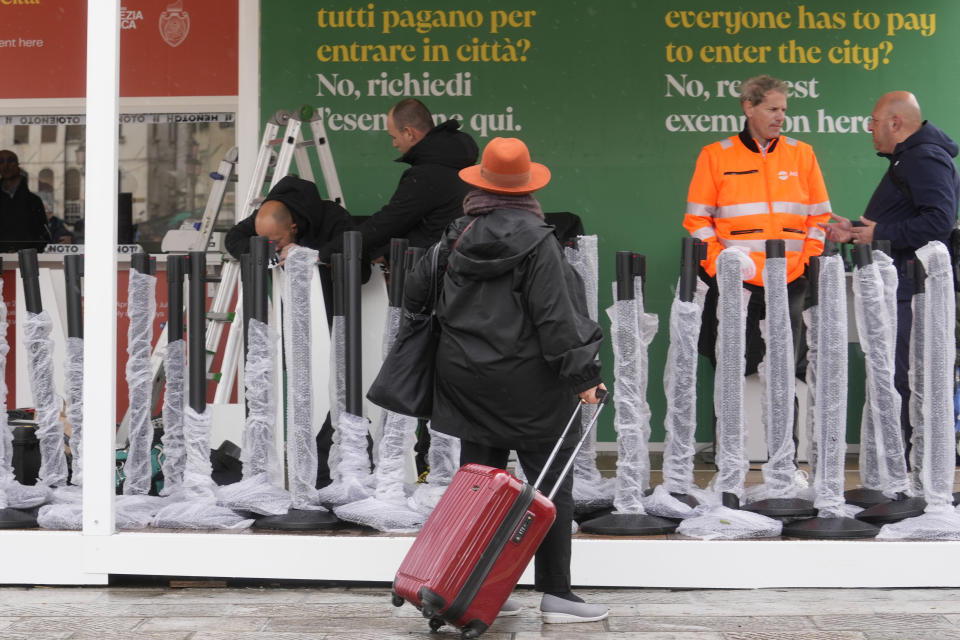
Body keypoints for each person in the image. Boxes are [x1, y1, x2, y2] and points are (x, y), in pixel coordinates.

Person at [403, 137, 608, 623]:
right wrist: (583, 376)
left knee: (481, 487)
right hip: (529, 383)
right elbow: (556, 317)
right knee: (550, 483)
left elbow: (414, 293)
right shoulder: (539, 241)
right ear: (527, 189)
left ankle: (473, 588)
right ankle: (556, 593)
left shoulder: (458, 232)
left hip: (465, 380)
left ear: (482, 184)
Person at [684, 75, 832, 473]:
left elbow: (820, 217)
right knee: (730, 370)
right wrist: (722, 265)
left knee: (785, 372)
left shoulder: (803, 155)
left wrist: (804, 259)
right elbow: (698, 220)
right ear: (749, 108)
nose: (780, 117)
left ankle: (785, 463)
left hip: (790, 283)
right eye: (772, 109)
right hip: (736, 288)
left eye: (784, 110)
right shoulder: (716, 156)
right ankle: (728, 462)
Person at [820, 91, 960, 459]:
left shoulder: (924, 158)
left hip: (912, 291)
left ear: (896, 124)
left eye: (875, 121)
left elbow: (939, 222)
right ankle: (896, 471)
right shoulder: (909, 158)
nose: (870, 128)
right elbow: (900, 220)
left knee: (904, 379)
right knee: (896, 377)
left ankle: (909, 474)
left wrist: (879, 235)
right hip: (901, 286)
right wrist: (854, 230)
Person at [317, 98, 478, 266]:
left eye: (394, 136)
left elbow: (387, 224)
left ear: (409, 133)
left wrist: (327, 252)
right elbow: (430, 227)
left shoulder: (427, 174)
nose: (394, 144)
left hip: (439, 274)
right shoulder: (457, 162)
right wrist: (385, 254)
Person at [0, 149, 49, 252]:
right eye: (1, 161)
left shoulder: (34, 201)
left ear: (17, 165)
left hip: (26, 259)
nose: (6, 166)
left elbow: (43, 235)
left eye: (10, 160)